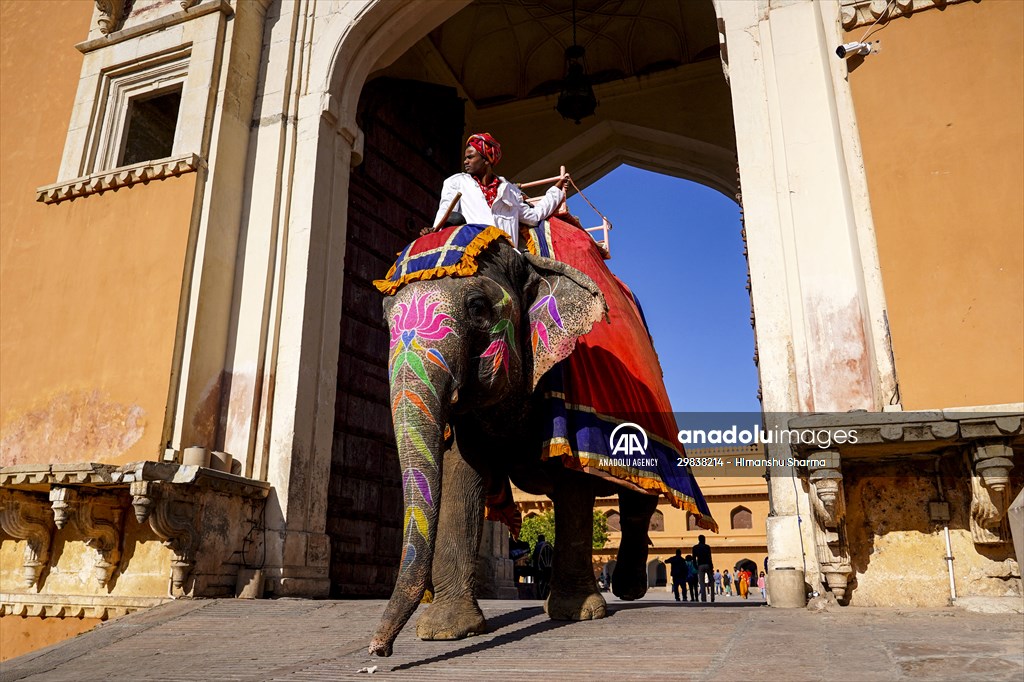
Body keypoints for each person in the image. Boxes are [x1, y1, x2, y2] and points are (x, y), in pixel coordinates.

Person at [431, 133, 568, 248]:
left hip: (508, 254)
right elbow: (446, 212)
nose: (466, 161)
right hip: (474, 249)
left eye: (470, 157)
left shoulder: (510, 190)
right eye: (466, 158)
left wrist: (556, 190)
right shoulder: (457, 182)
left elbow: (533, 217)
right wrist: (433, 231)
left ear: (486, 160)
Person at [692, 534, 714, 603]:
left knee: (701, 583)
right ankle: (712, 597)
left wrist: (695, 565)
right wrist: (711, 566)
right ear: (703, 539)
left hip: (700, 565)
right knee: (712, 581)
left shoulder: (695, 547)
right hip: (707, 564)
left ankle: (703, 598)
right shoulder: (707, 547)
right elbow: (710, 557)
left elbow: (694, 558)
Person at [532, 534, 553, 599]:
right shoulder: (545, 547)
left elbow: (534, 557)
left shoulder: (539, 545)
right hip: (542, 566)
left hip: (541, 567)